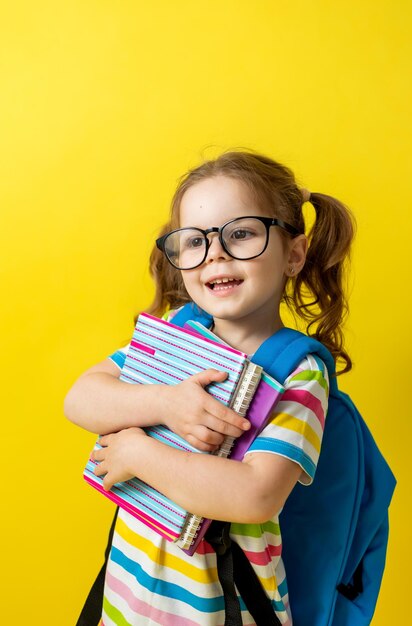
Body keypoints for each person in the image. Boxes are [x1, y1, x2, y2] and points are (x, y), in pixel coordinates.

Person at [65, 150, 355, 626]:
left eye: (240, 233)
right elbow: (81, 397)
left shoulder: (298, 371)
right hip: (130, 589)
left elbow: (257, 495)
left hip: (222, 602)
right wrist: (165, 402)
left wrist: (138, 454)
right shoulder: (177, 330)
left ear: (294, 255)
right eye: (194, 240)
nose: (215, 253)